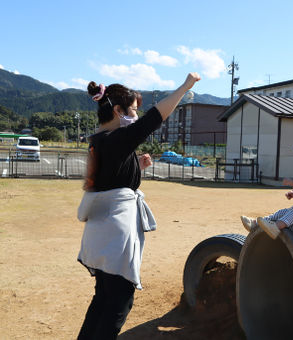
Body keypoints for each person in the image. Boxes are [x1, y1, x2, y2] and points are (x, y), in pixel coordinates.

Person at [76, 72, 200, 339]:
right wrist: (185, 86)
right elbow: (155, 117)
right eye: (132, 110)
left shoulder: (100, 142)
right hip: (114, 235)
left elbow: (110, 179)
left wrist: (136, 166)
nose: (135, 115)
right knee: (119, 302)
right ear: (118, 110)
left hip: (100, 233)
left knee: (103, 298)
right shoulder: (116, 139)